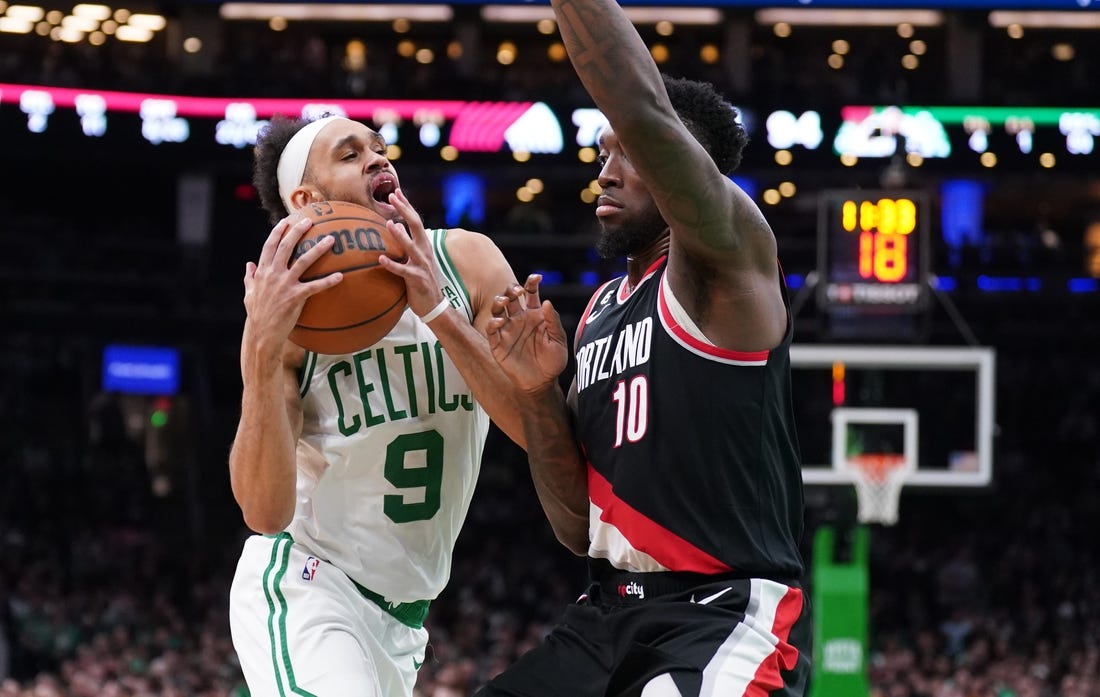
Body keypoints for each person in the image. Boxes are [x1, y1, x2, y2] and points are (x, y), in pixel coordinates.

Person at [479, 1, 812, 695]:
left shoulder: (724, 265)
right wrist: (539, 394)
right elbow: (577, 525)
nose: (606, 168)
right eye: (601, 153)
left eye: (626, 151)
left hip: (718, 614)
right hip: (604, 614)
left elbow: (640, 104)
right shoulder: (599, 311)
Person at [227, 113, 526, 696]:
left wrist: (438, 309)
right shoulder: (287, 317)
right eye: (350, 154)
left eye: (379, 147)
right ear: (306, 199)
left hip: (405, 620)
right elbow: (264, 514)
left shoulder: (470, 262)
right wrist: (260, 353)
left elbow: (538, 434)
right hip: (309, 586)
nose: (378, 159)